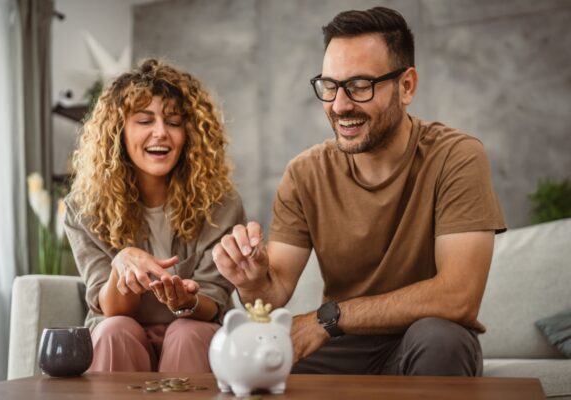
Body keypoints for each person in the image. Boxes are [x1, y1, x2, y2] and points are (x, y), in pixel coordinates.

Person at [212, 7, 506, 376]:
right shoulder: (304, 174)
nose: (339, 105)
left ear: (407, 86)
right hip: (342, 344)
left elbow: (458, 297)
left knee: (441, 339)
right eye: (330, 85)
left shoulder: (456, 156)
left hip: (421, 340)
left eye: (360, 86)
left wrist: (329, 318)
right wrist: (252, 279)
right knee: (256, 365)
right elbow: (272, 295)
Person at [64, 58, 245, 373]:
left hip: (195, 329)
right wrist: (122, 266)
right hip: (122, 332)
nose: (161, 132)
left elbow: (212, 301)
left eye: (174, 122)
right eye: (145, 120)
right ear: (119, 131)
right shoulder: (83, 208)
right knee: (113, 330)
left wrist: (185, 302)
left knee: (187, 332)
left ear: (189, 133)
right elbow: (110, 309)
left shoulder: (221, 203)